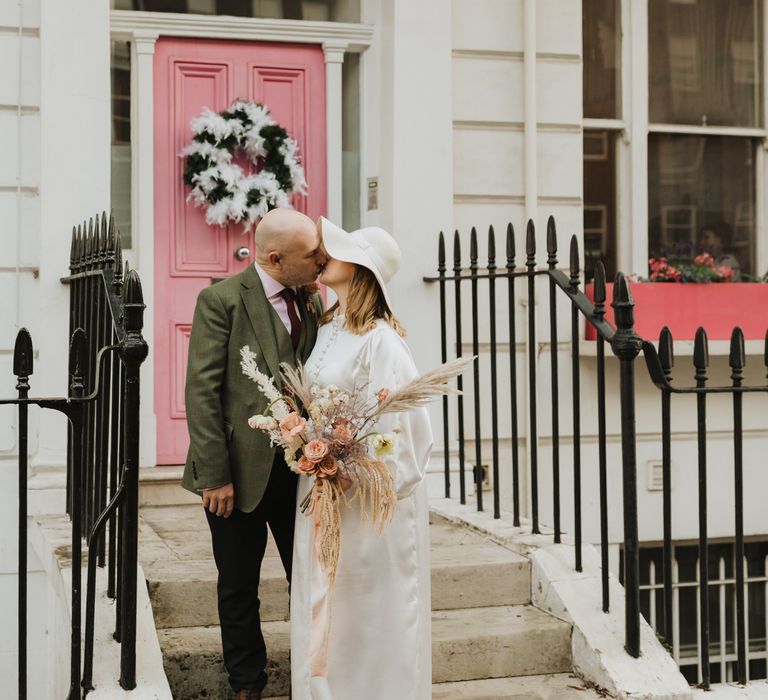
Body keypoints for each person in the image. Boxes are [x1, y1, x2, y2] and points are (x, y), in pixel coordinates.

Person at [181, 207, 327, 700]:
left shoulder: (311, 299)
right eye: (312, 255)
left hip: (301, 470)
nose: (322, 262)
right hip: (235, 475)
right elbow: (202, 392)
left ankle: (314, 674)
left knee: (307, 579)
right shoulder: (220, 300)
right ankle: (247, 684)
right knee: (239, 585)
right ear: (274, 258)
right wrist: (214, 476)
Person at [290, 218, 434, 700]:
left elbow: (401, 428)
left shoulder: (382, 340)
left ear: (362, 270)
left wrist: (348, 468)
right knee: (325, 598)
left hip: (360, 497)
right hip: (320, 487)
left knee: (365, 607)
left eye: (338, 249)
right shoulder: (328, 325)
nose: (324, 252)